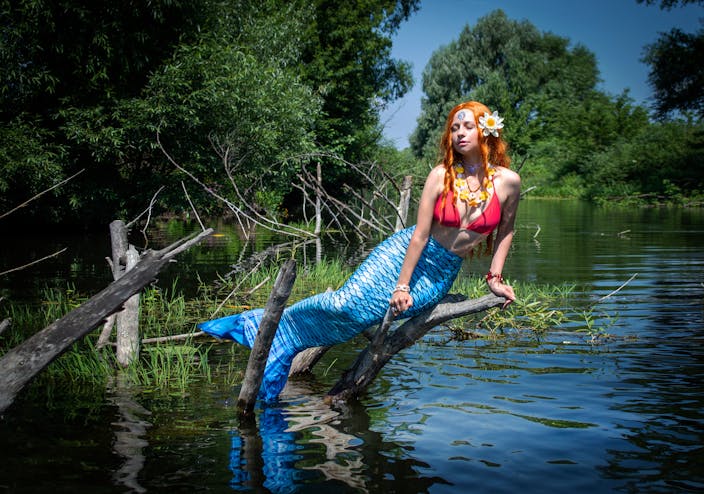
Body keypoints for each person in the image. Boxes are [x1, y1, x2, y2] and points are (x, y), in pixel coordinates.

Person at [199, 101, 520, 401]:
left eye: (467, 126)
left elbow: (505, 231)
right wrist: (401, 285)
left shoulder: (508, 182)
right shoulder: (441, 175)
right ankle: (260, 325)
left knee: (358, 317)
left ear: (486, 131)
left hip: (441, 273)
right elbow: (420, 235)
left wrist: (494, 277)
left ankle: (282, 343)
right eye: (454, 128)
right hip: (404, 254)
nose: (459, 133)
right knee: (345, 303)